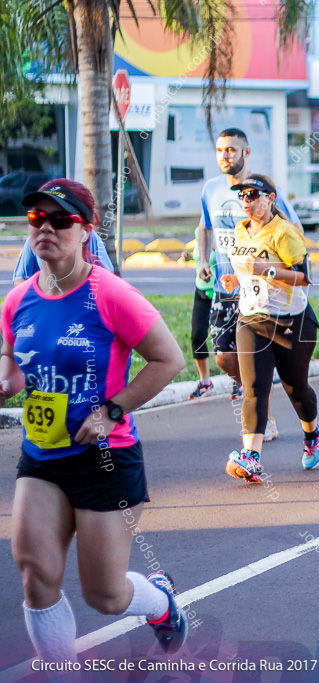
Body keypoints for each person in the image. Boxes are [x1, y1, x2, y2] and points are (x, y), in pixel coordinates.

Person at [3, 180, 188, 662]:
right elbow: (14, 367)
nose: (46, 228)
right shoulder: (17, 298)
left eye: (61, 220)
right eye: (36, 219)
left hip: (106, 458)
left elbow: (169, 360)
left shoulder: (111, 294)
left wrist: (111, 412)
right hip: (42, 456)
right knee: (34, 574)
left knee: (104, 596)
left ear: (87, 230)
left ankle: (161, 603)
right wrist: (8, 382)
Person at [219, 174, 319, 482]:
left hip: (292, 321)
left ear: (271, 198)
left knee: (296, 389)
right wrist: (237, 280)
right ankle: (252, 456)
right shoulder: (240, 230)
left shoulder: (283, 231)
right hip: (252, 318)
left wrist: (265, 270)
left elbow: (304, 277)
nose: (247, 201)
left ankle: (312, 433)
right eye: (243, 196)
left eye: (254, 195)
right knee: (255, 388)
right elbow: (246, 268)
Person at [197, 127, 298, 439]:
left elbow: (294, 228)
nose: (225, 156)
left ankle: (261, 413)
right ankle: (253, 389)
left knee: (263, 361)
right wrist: (203, 260)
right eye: (220, 150)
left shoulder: (266, 187)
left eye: (231, 149)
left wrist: (273, 266)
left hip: (259, 293)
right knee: (223, 357)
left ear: (246, 152)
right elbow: (206, 227)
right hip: (225, 288)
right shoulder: (211, 189)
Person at [12, 228, 113, 285]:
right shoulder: (35, 239)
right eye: (37, 216)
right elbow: (20, 280)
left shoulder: (90, 237)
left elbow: (108, 278)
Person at [188, 226, 216, 399]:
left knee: (229, 340)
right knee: (197, 335)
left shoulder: (224, 230)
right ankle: (205, 382)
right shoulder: (199, 231)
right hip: (201, 291)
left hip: (223, 293)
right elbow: (197, 254)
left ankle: (240, 381)